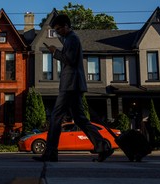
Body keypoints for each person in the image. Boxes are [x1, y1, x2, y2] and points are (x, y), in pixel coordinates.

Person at [32, 14, 113, 162]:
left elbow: (69, 59)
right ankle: (103, 146)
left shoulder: (73, 39)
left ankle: (51, 153)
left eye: (58, 30)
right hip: (72, 84)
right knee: (80, 119)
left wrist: (54, 52)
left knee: (56, 116)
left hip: (71, 85)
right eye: (55, 31)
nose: (57, 33)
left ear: (66, 26)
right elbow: (65, 43)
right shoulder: (69, 39)